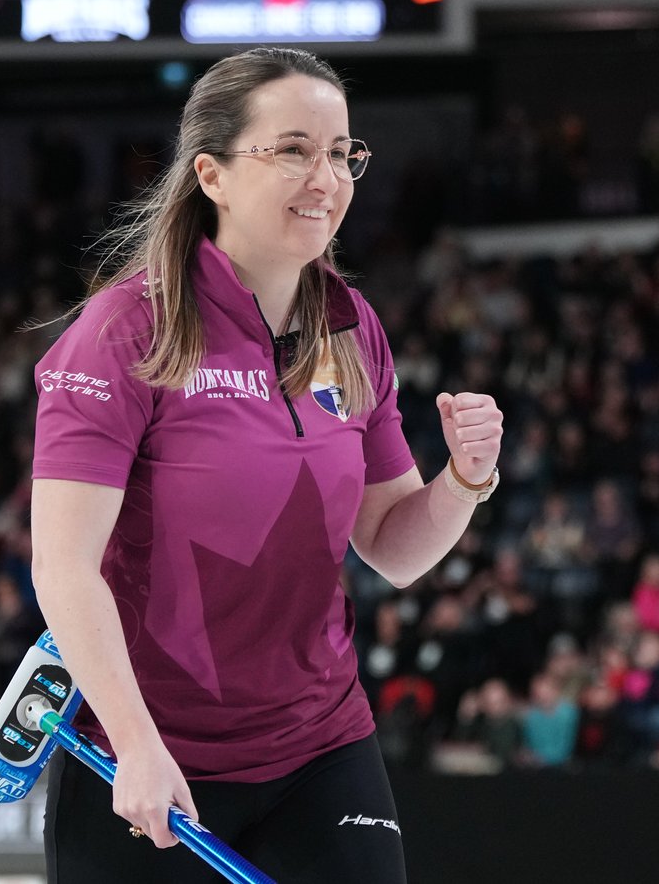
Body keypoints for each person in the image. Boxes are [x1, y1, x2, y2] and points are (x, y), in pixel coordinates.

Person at [29, 47, 502, 884]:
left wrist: (463, 481)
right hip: (149, 758)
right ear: (210, 174)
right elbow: (64, 567)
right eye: (291, 149)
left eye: (340, 152)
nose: (325, 176)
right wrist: (137, 746)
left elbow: (392, 547)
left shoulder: (351, 327)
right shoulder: (124, 333)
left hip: (321, 748)